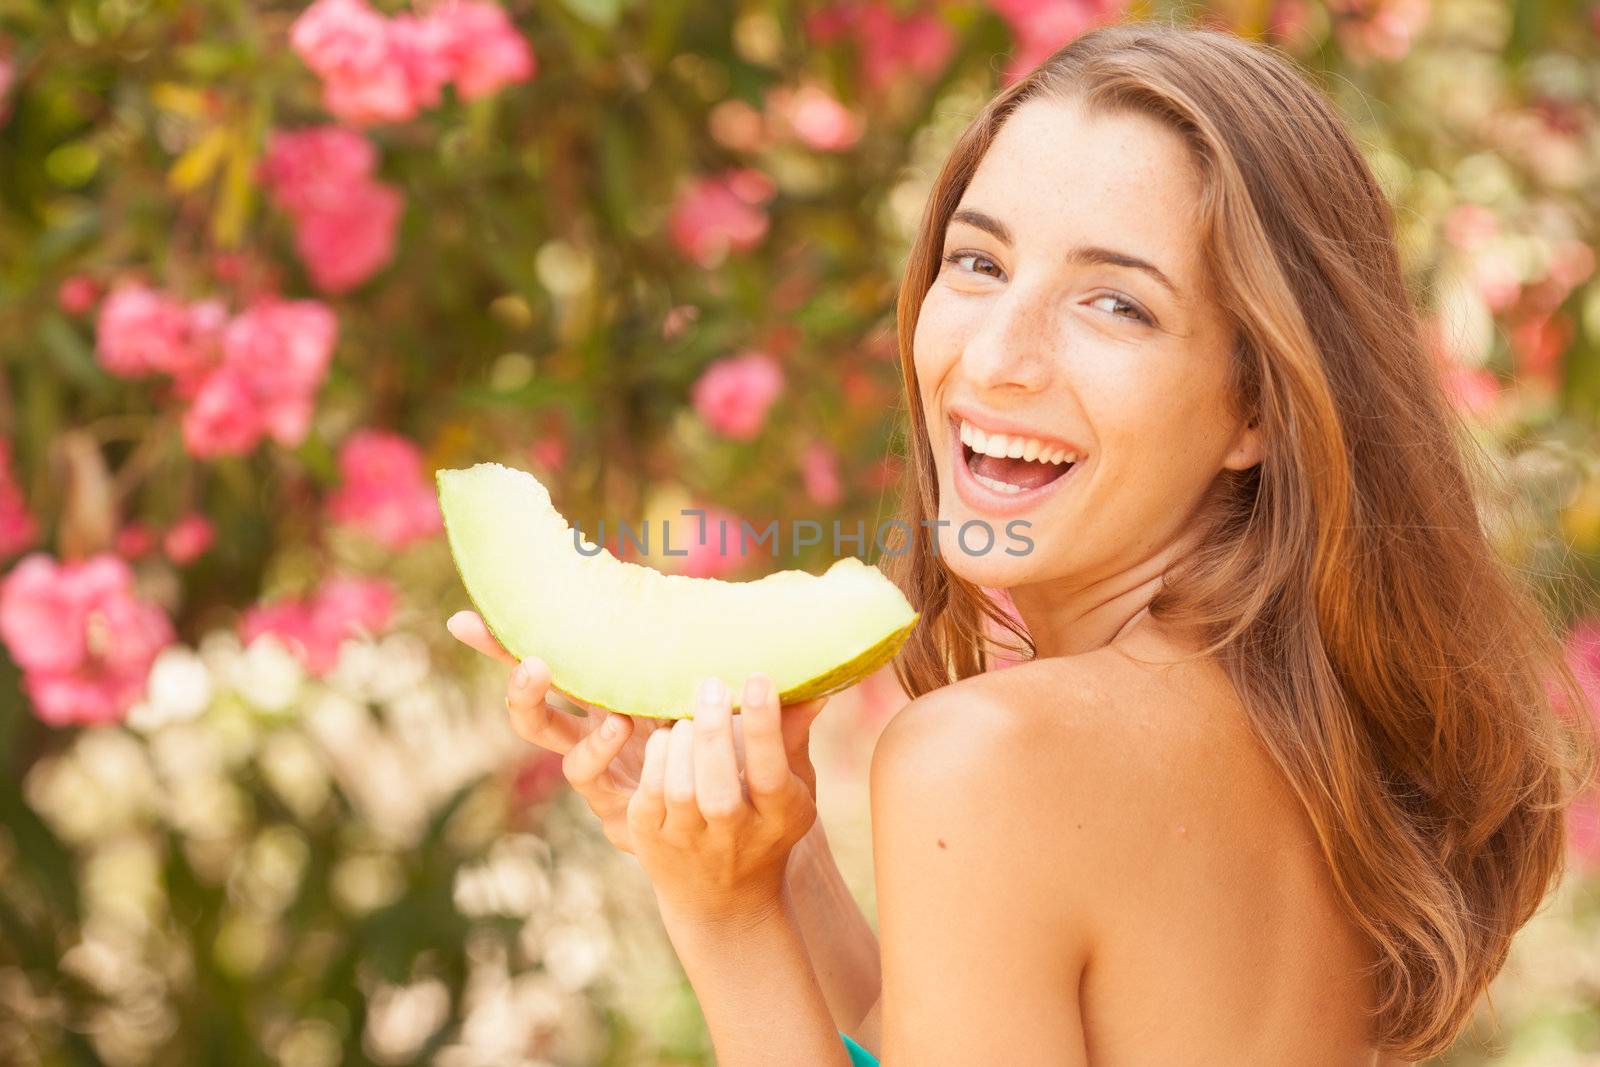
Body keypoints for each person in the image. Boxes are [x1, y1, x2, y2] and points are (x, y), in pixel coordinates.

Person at [448, 19, 1596, 1065]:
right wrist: (776, 854)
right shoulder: (1287, 717)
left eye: (1116, 304)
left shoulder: (990, 755)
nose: (995, 356)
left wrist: (720, 914)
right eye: (979, 262)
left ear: (1257, 404)